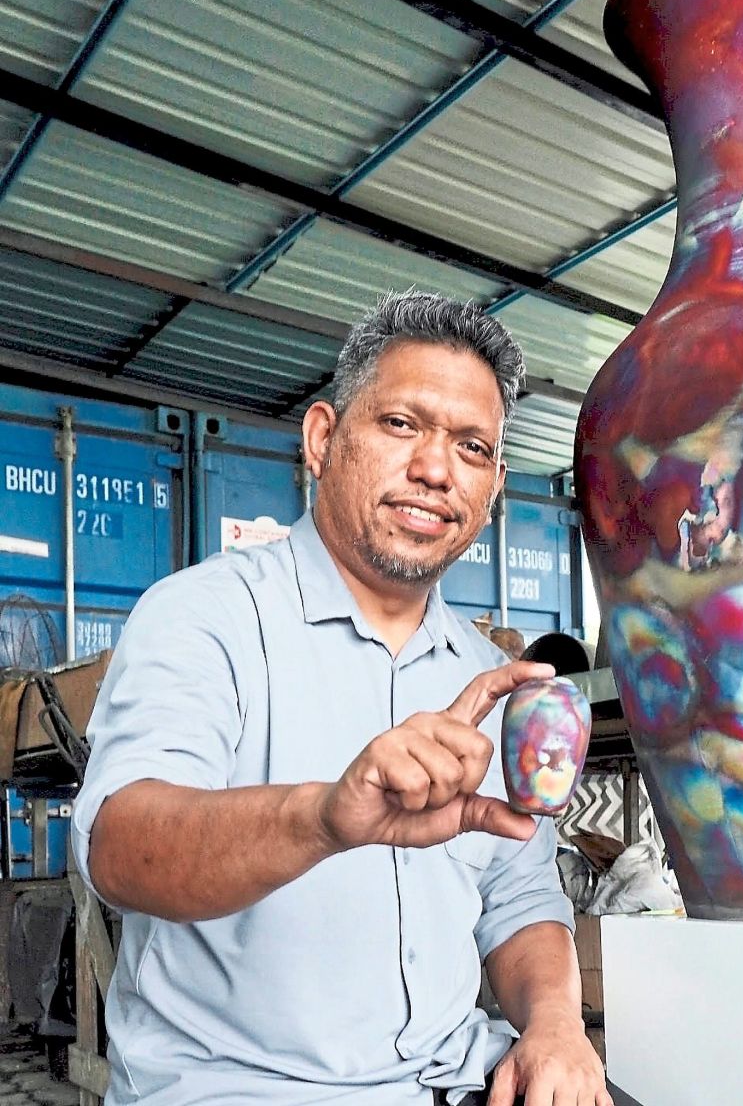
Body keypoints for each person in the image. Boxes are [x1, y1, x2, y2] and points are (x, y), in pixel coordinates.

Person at [72, 292, 612, 1106]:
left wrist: (556, 1028)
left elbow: (520, 894)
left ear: (495, 485)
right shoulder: (204, 616)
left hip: (454, 1074)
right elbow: (119, 847)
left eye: (470, 447)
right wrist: (324, 817)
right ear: (323, 439)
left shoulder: (486, 677)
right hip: (248, 1090)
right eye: (402, 425)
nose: (435, 469)